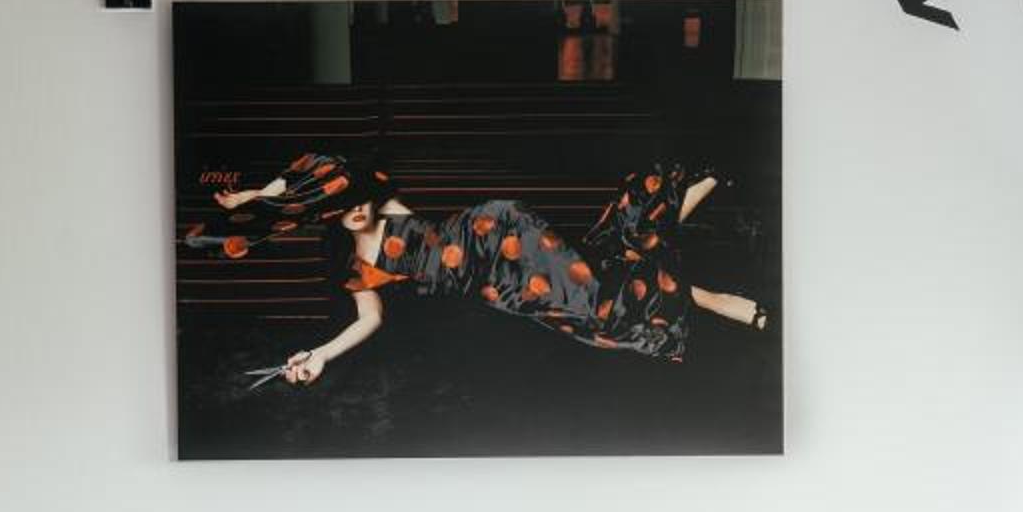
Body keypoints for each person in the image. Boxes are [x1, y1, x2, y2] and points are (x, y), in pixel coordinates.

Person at [187, 153, 767, 385]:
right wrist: (318, 355)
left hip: (501, 232)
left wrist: (255, 195)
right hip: (499, 287)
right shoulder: (356, 268)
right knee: (600, 302)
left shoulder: (387, 207)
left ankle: (713, 291)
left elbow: (318, 170)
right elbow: (369, 321)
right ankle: (709, 208)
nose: (357, 208)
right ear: (328, 220)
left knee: (600, 301)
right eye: (344, 209)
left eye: (358, 198)